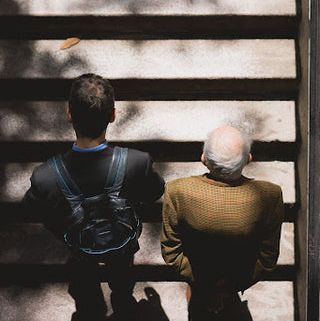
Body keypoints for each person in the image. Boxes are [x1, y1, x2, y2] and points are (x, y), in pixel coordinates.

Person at [23, 73, 165, 321]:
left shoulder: (44, 176)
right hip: (122, 243)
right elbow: (155, 191)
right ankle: (121, 296)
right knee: (122, 272)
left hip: (79, 245)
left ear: (69, 115)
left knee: (82, 271)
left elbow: (32, 210)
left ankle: (90, 305)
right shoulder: (136, 162)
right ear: (112, 115)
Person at [161, 126, 284, 320]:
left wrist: (205, 287)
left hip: (198, 270)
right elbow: (267, 258)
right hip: (238, 273)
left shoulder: (177, 192)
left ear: (204, 159)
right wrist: (226, 289)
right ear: (249, 159)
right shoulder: (270, 196)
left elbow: (171, 251)